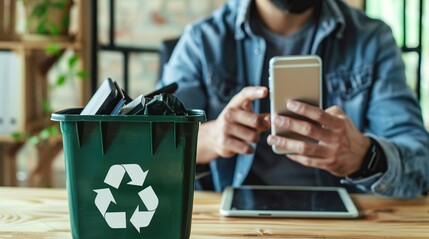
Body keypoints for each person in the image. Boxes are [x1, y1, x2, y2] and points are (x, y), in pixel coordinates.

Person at [160, 0, 429, 198]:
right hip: (232, 220)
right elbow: (152, 146)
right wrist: (211, 137)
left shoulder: (372, 39)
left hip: (346, 221)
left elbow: (420, 161)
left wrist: (365, 156)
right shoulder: (202, 40)